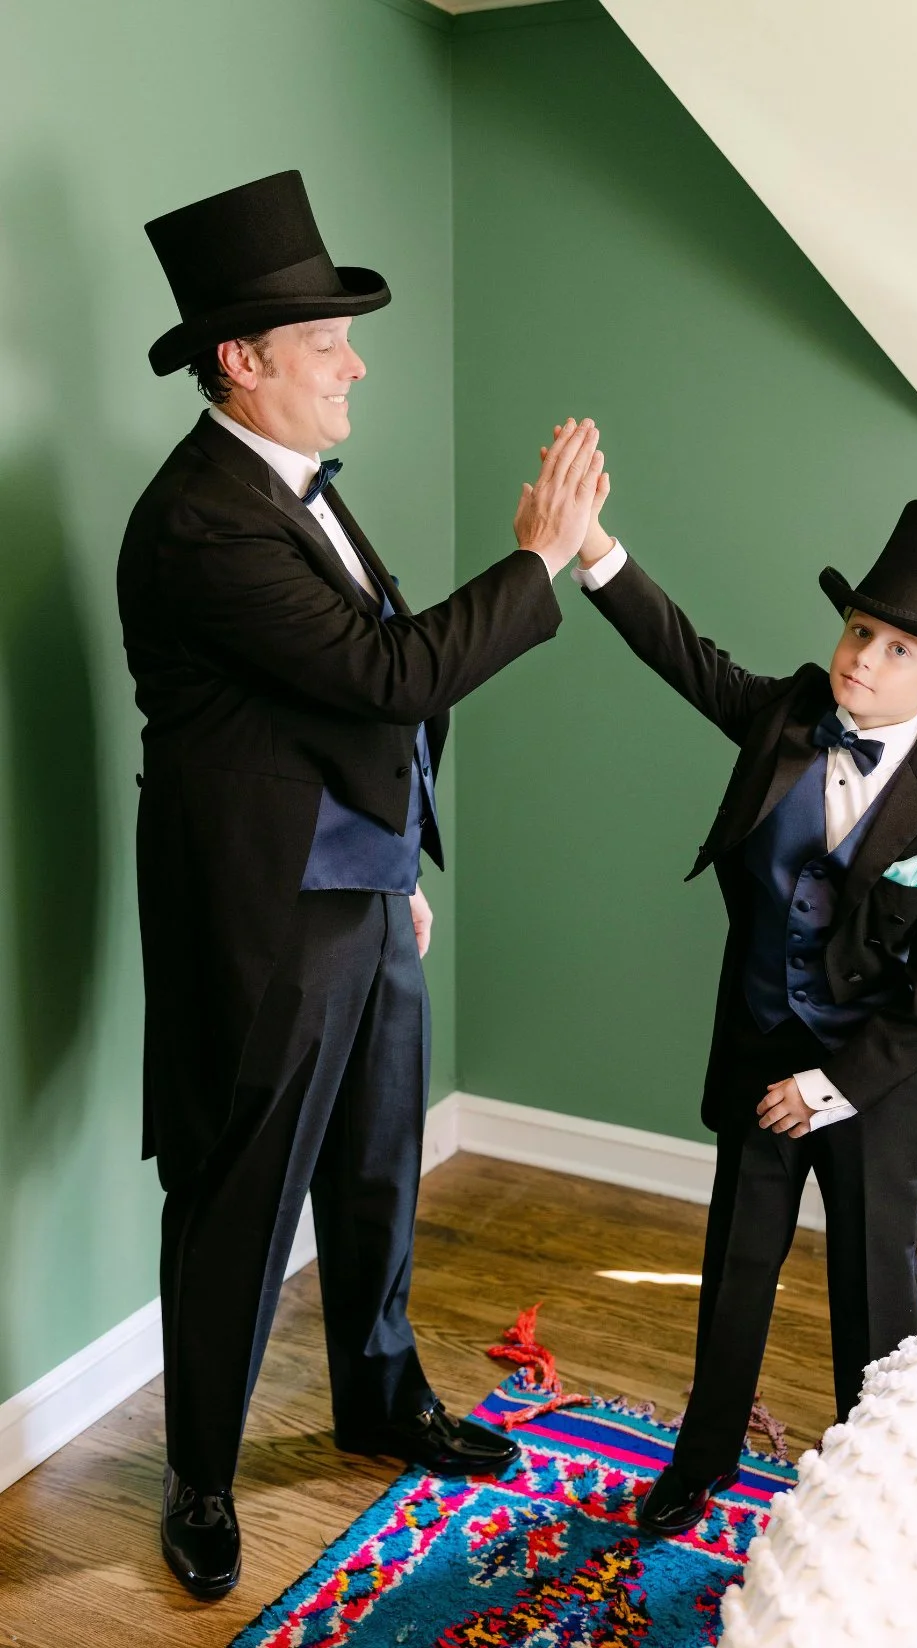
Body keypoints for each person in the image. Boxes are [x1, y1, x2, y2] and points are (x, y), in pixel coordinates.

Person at [118, 170, 607, 1599]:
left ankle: (379, 1398)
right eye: (328, 342)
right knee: (241, 1196)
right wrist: (539, 560)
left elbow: (357, 716)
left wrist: (400, 868)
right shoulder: (205, 519)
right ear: (243, 362)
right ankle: (200, 1472)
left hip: (363, 890)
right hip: (263, 917)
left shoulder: (292, 492)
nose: (357, 362)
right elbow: (389, 672)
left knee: (381, 1163)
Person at [569, 485, 917, 1535]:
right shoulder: (780, 715)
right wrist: (593, 548)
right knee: (735, 1269)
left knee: (874, 1292)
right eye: (858, 629)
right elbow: (679, 652)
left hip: (868, 1084)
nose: (861, 656)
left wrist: (828, 1087)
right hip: (757, 1051)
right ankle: (700, 1461)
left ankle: (874, 1486)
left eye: (897, 650)